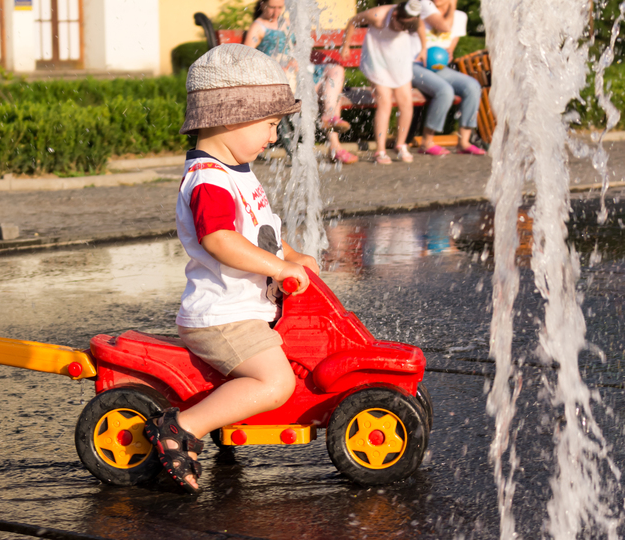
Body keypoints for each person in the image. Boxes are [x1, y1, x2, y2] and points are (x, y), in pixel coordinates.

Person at [143, 43, 321, 493]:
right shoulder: (210, 179)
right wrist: (278, 269)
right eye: (269, 124)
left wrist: (291, 256)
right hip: (222, 317)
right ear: (230, 116)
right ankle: (181, 428)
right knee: (276, 383)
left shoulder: (234, 170)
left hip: (242, 312)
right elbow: (220, 239)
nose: (273, 136)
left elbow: (259, 232)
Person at [244, 0, 359, 165]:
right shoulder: (258, 27)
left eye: (279, 8)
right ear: (262, 5)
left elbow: (299, 48)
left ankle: (329, 119)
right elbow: (247, 57)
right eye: (272, 8)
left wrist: (297, 59)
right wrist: (274, 66)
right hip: (281, 80)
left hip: (298, 75)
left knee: (336, 71)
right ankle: (335, 145)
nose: (276, 12)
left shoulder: (286, 23)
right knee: (333, 97)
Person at [340, 0, 426, 164]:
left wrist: (424, 48)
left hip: (399, 58)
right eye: (401, 26)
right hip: (376, 60)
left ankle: (400, 144)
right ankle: (380, 150)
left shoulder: (412, 19)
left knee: (406, 103)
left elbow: (420, 27)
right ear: (395, 15)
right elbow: (353, 21)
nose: (403, 30)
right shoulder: (377, 16)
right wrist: (346, 46)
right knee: (385, 102)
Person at [410, 0, 486, 156]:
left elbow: (450, 45)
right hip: (413, 65)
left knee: (472, 86)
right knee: (445, 91)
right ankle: (426, 142)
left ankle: (464, 142)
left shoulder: (460, 17)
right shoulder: (425, 5)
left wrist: (448, 52)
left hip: (437, 67)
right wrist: (452, 5)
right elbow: (444, 27)